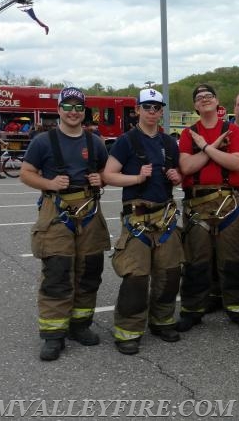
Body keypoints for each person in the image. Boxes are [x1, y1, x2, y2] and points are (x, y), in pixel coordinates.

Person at [20, 87, 111, 361]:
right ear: (59, 110)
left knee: (89, 270)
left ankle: (80, 325)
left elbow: (107, 172)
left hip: (89, 210)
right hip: (56, 210)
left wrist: (101, 179)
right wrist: (49, 183)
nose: (73, 112)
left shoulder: (95, 142)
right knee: (57, 272)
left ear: (84, 112)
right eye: (68, 107)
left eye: (78, 107)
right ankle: (53, 335)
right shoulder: (43, 142)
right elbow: (25, 173)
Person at [102, 88, 185, 355]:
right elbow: (108, 175)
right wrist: (137, 178)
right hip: (137, 218)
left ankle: (162, 321)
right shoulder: (127, 141)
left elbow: (179, 175)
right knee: (136, 278)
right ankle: (128, 330)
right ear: (137, 109)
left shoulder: (169, 143)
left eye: (156, 108)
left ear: (162, 112)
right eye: (146, 107)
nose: (151, 112)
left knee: (169, 274)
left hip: (165, 216)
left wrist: (177, 176)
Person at [177, 83, 239, 331]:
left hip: (229, 204)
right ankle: (192, 310)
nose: (204, 99)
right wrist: (211, 149)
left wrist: (206, 148)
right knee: (196, 262)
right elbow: (186, 168)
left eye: (209, 95)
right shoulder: (188, 134)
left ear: (217, 101)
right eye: (199, 97)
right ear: (195, 105)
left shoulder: (231, 130)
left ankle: (237, 308)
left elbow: (236, 162)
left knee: (233, 259)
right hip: (197, 205)